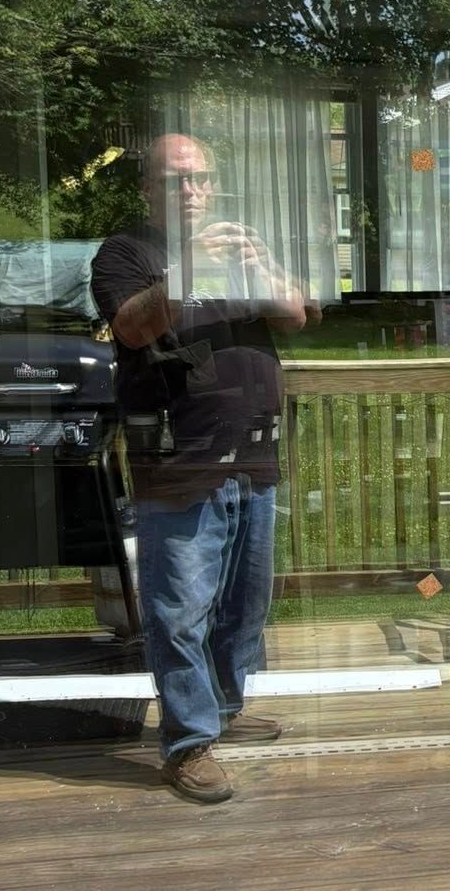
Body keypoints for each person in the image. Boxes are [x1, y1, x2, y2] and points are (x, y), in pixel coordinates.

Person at [92, 134, 308, 804]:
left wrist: (262, 268)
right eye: (174, 180)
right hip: (177, 458)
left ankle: (223, 712)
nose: (191, 191)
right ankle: (188, 744)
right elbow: (130, 328)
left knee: (245, 607)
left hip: (253, 452)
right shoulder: (126, 253)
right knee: (179, 608)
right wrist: (189, 266)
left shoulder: (241, 239)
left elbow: (298, 312)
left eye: (200, 179)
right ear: (147, 189)